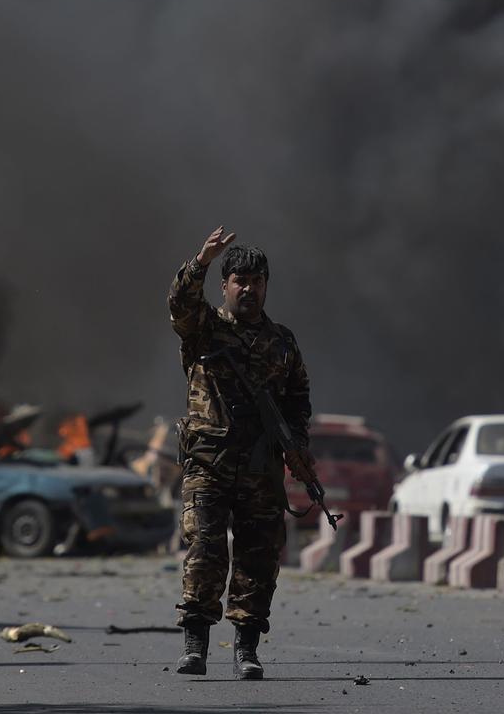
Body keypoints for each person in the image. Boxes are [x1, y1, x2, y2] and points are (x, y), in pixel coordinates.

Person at [167, 225, 316, 680]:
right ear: (225, 286)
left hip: (259, 466)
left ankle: (246, 651)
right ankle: (195, 647)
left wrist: (297, 446)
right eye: (240, 281)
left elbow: (297, 399)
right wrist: (201, 261)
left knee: (258, 557)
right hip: (208, 463)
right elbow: (179, 305)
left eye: (257, 282)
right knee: (205, 550)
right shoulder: (204, 329)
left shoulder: (282, 342)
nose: (249, 289)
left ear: (266, 286)